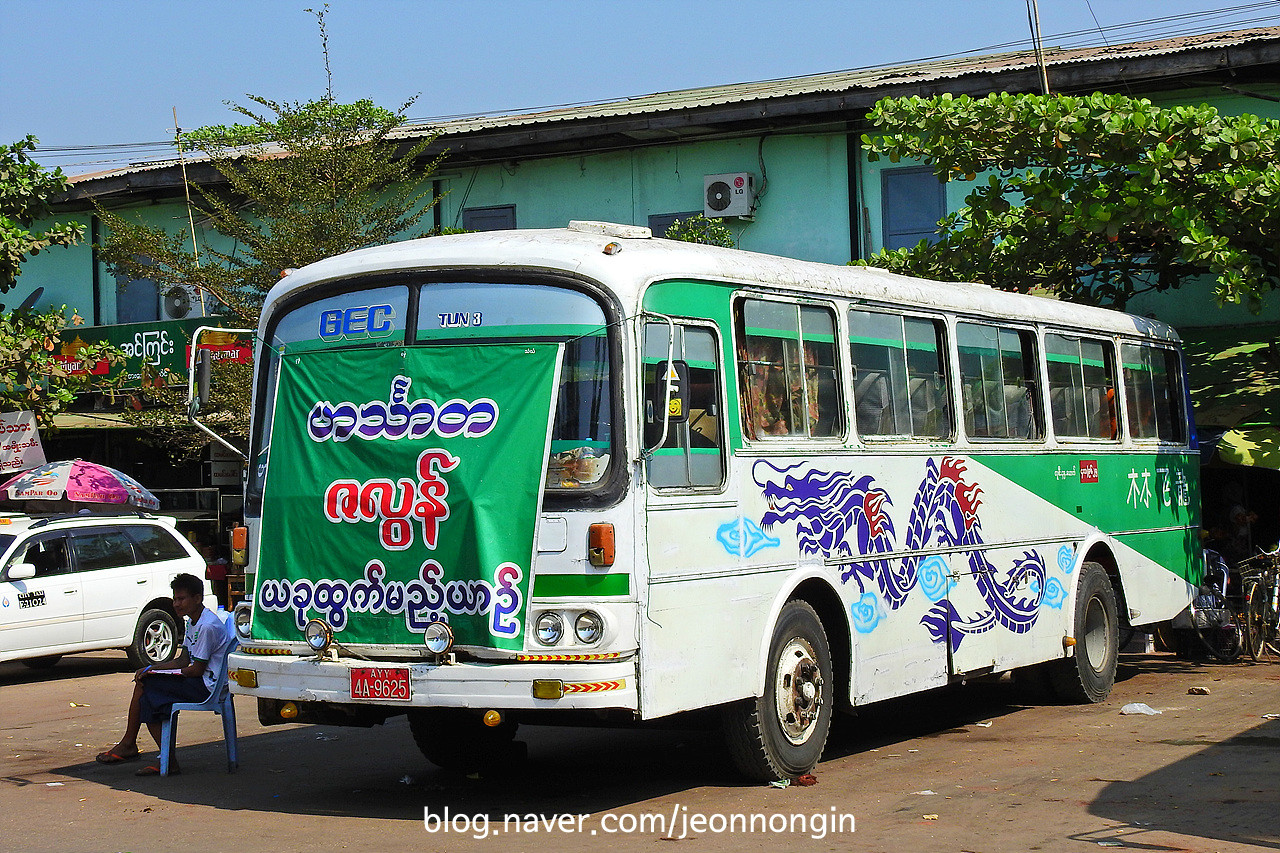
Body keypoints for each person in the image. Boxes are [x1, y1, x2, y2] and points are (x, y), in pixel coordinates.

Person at [94, 573, 232, 776]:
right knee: (145, 682)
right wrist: (152, 669)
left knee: (150, 695)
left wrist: (166, 674)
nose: (176, 604)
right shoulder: (193, 622)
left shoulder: (207, 626)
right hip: (197, 680)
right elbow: (183, 660)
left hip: (207, 687)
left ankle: (144, 750)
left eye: (181, 599)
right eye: (175, 599)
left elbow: (195, 669)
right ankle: (133, 745)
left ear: (197, 598)